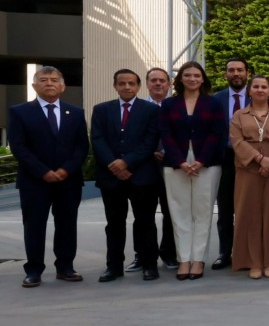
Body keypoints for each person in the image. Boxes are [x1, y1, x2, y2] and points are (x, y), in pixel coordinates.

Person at [9, 66, 90, 288]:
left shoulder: (75, 113)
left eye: (54, 80)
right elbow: (18, 146)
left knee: (66, 224)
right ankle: (34, 270)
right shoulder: (19, 112)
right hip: (34, 181)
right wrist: (43, 171)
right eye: (43, 80)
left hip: (68, 180)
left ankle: (65, 267)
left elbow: (82, 147)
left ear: (62, 86)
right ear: (34, 85)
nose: (49, 83)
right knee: (34, 225)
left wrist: (66, 169)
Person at [91, 69, 161, 282]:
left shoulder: (150, 110)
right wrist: (114, 164)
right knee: (114, 223)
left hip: (141, 175)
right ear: (115, 86)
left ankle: (149, 265)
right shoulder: (102, 109)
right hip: (111, 176)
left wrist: (126, 162)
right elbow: (97, 138)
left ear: (139, 86)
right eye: (122, 83)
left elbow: (150, 141)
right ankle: (114, 266)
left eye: (131, 83)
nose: (127, 87)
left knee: (145, 222)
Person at [159, 61, 225, 280]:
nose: (192, 79)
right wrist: (180, 161)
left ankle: (198, 260)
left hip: (206, 163)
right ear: (181, 79)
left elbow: (217, 134)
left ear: (202, 78)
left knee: (203, 213)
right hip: (176, 163)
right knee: (179, 213)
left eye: (197, 75)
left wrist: (201, 160)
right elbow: (165, 134)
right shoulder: (169, 104)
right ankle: (183, 260)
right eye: (188, 75)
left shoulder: (213, 103)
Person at [230, 75, 269, 279]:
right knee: (249, 215)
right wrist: (258, 159)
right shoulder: (239, 115)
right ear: (249, 91)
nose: (259, 89)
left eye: (263, 86)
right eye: (255, 86)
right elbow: (237, 142)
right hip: (248, 170)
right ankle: (253, 261)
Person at [212, 57, 249, 270]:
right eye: (231, 70)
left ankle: (246, 251)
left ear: (247, 73)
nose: (236, 74)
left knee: (249, 208)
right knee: (225, 209)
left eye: (240, 70)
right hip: (225, 158)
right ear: (226, 74)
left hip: (251, 159)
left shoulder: (258, 96)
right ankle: (225, 252)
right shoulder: (216, 99)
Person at [144, 67, 178, 271]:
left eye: (162, 81)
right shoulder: (139, 107)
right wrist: (149, 152)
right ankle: (144, 255)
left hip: (173, 165)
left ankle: (169, 253)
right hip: (145, 167)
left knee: (171, 213)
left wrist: (171, 152)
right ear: (147, 84)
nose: (158, 84)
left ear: (169, 84)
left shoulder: (176, 106)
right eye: (154, 80)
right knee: (145, 215)